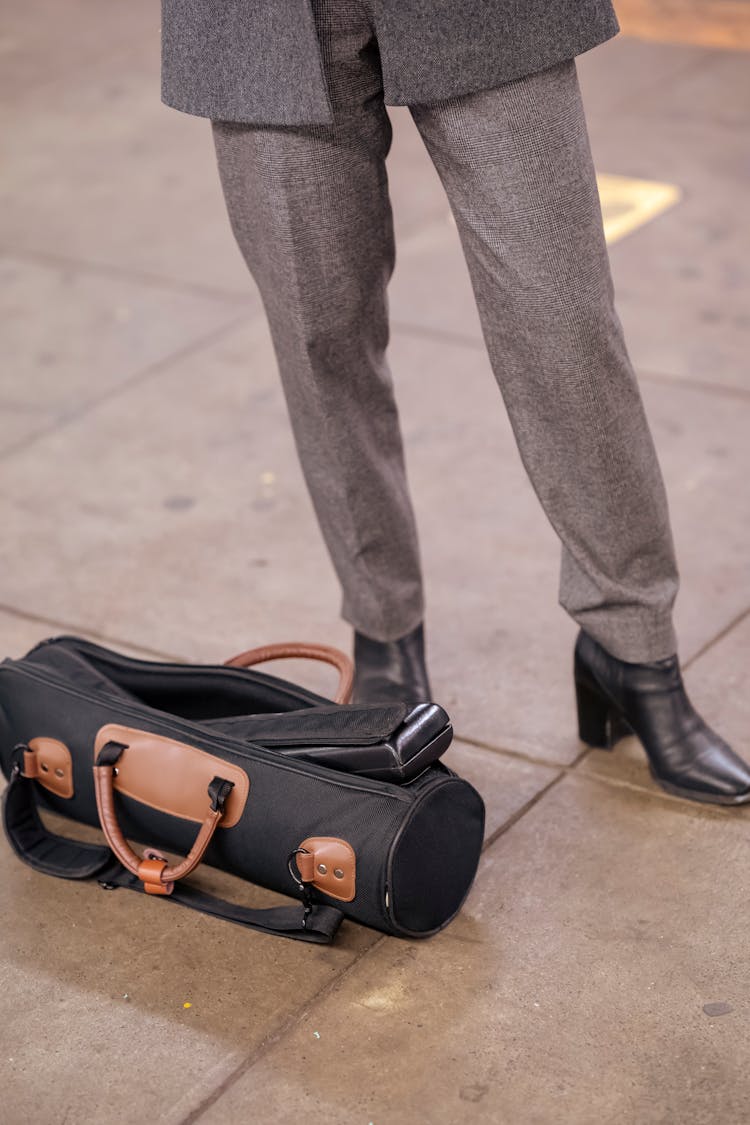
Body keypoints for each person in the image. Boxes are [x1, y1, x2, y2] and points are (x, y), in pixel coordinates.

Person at [160, 0, 750, 805]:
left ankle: (635, 646)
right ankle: (384, 632)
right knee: (319, 335)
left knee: (563, 318)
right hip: (259, 21)